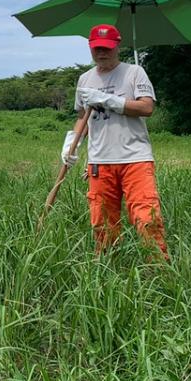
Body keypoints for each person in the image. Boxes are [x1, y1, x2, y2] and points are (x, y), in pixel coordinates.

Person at [61, 24, 169, 259]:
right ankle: (108, 269)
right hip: (100, 161)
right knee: (102, 223)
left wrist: (108, 99)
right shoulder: (84, 79)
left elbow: (146, 107)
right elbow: (82, 117)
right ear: (90, 48)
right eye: (97, 48)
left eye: (107, 48)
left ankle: (159, 271)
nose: (102, 53)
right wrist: (72, 144)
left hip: (135, 158)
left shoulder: (134, 72)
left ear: (117, 46)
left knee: (147, 217)